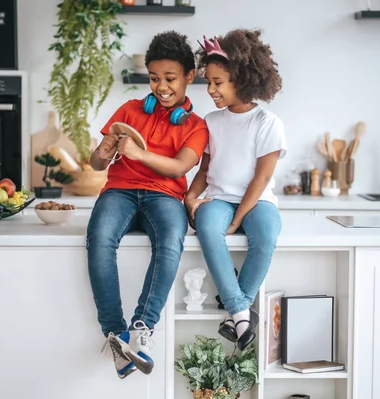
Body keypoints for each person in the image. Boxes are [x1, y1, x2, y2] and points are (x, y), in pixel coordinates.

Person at [86, 30, 209, 379]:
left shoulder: (197, 126)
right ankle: (117, 336)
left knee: (171, 239)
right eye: (155, 78)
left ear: (189, 76)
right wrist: (105, 149)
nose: (161, 86)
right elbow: (97, 165)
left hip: (165, 195)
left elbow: (180, 167)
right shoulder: (129, 109)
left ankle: (143, 328)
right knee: (99, 238)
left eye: (170, 78)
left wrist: (138, 152)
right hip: (120, 189)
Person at [185, 29, 286, 351]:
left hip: (256, 201)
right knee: (208, 228)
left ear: (242, 79)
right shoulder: (211, 121)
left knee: (266, 236)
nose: (210, 89)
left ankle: (234, 314)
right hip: (219, 196)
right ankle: (242, 312)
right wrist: (190, 196)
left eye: (218, 82)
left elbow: (260, 180)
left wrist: (237, 219)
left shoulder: (267, 123)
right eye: (209, 82)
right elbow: (204, 170)